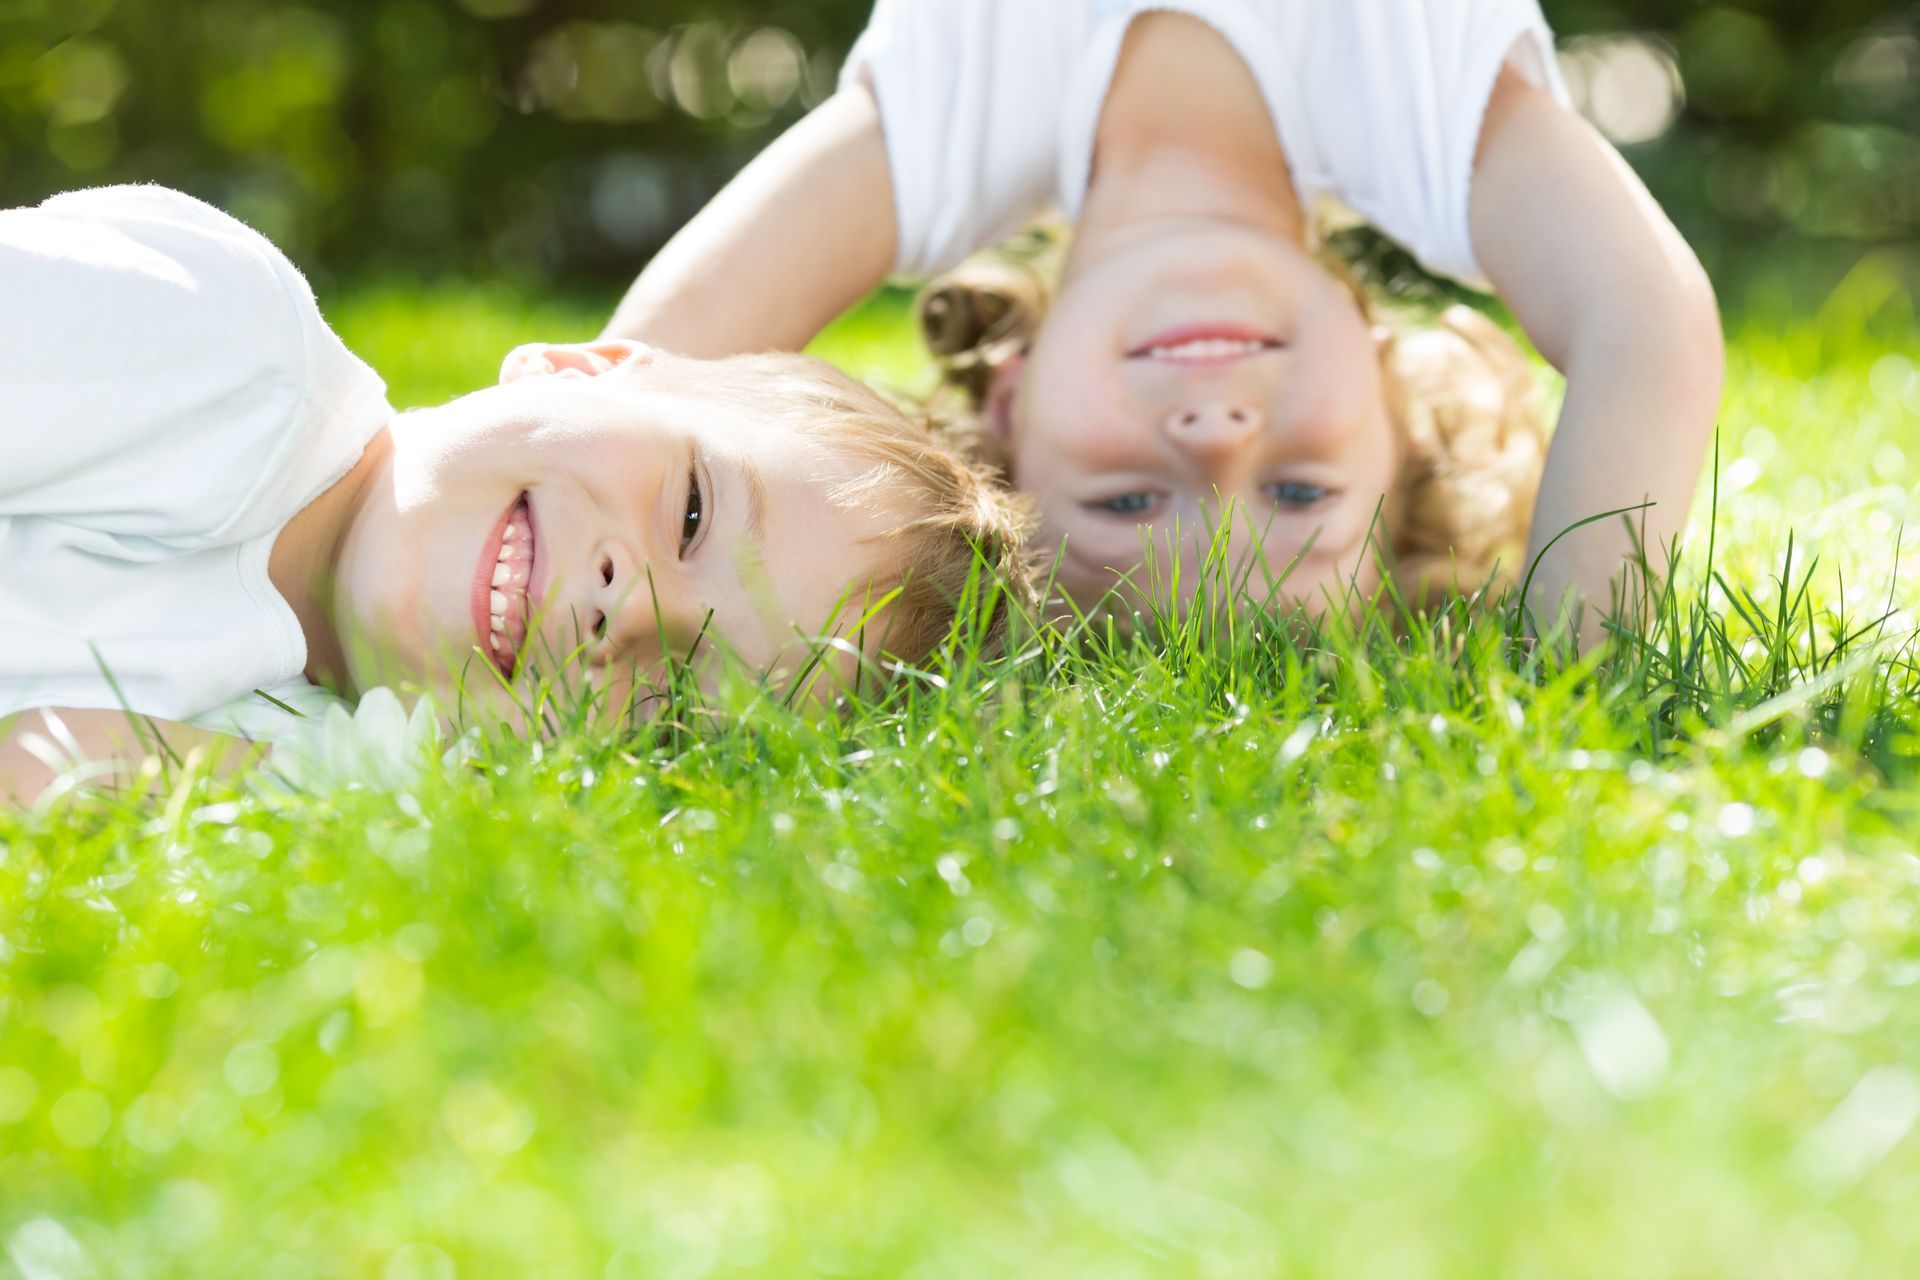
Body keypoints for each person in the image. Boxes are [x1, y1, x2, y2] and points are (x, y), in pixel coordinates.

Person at [603, 0, 1725, 634]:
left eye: (1127, 499)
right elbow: (1648, 321)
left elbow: (642, 379)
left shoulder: (960, 119)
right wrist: (1572, 666)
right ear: (1395, 399)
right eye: (1301, 494)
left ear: (1009, 403)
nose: (1218, 437)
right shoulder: (1413, 106)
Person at [1, 184, 1033, 801]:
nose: (634, 611)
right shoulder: (225, 360)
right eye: (691, 515)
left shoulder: (313, 738)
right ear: (580, 367)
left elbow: (42, 769)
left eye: (672, 708)